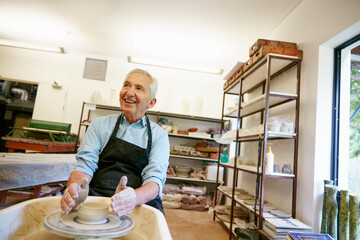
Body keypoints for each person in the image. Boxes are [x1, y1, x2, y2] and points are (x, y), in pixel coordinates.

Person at [60, 68, 170, 216]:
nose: (129, 92)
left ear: (151, 103)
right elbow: (84, 165)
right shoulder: (99, 125)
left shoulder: (159, 136)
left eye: (139, 88)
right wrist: (76, 189)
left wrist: (132, 198)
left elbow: (154, 182)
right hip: (97, 197)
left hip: (138, 203)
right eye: (126, 85)